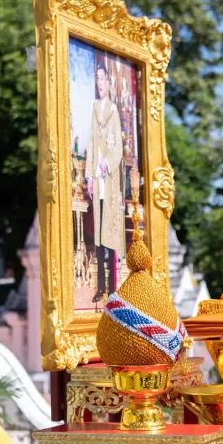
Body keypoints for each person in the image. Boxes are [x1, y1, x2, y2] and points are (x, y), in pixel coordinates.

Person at [84, 63, 124, 302]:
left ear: (108, 83)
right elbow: (90, 142)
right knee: (98, 236)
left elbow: (117, 146)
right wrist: (89, 175)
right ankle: (101, 287)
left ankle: (114, 286)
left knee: (110, 234)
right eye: (96, 79)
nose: (99, 83)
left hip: (109, 179)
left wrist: (106, 163)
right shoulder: (93, 109)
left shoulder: (113, 111)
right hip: (97, 181)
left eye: (102, 79)